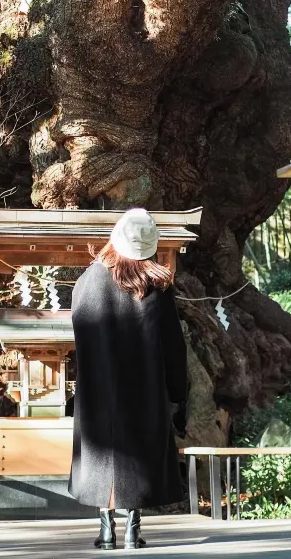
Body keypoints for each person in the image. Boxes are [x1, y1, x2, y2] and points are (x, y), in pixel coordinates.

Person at [68, 208, 188, 550]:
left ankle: (106, 531)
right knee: (137, 452)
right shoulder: (155, 287)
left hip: (98, 390)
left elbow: (80, 343)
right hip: (145, 389)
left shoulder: (86, 283)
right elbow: (172, 346)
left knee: (104, 455)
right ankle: (134, 529)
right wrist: (178, 394)